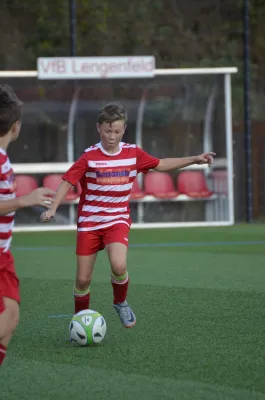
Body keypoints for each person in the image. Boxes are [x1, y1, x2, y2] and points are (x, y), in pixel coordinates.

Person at [41, 102, 215, 329]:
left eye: (116, 131)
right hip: (90, 223)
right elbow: (67, 181)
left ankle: (120, 302)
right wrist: (53, 207)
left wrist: (194, 159)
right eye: (107, 131)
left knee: (119, 265)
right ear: (98, 128)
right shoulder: (89, 157)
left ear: (124, 130)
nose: (111, 136)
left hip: (117, 220)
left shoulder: (133, 153)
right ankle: (80, 321)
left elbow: (161, 164)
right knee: (83, 280)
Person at [0, 84, 55, 366]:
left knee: (10, 318)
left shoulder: (3, 158)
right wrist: (24, 201)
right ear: (16, 126)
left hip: (3, 255)